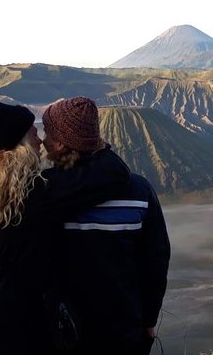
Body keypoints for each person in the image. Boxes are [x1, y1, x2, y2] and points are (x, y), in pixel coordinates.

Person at [0, 99, 130, 355]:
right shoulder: (31, 196)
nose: (40, 141)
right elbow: (114, 173)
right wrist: (94, 144)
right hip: (11, 333)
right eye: (32, 134)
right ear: (17, 147)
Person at [42, 97, 171, 355]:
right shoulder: (139, 191)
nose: (43, 141)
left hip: (63, 333)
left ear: (58, 143)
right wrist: (148, 321)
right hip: (123, 330)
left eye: (47, 133)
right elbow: (155, 262)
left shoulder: (42, 196)